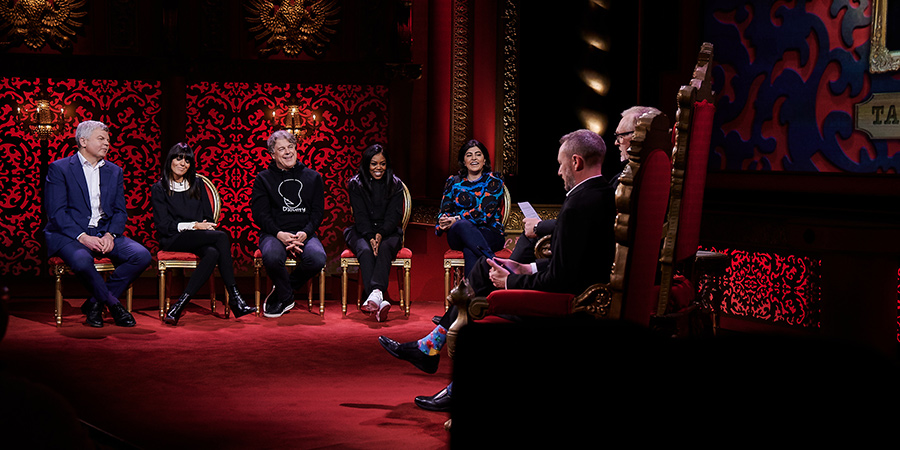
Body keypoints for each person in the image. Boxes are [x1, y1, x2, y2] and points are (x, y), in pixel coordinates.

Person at [380, 129, 618, 412]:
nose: (558, 171)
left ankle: (438, 356)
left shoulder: (580, 203)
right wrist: (525, 265)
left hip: (571, 302)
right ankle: (431, 347)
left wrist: (511, 280)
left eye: (561, 163)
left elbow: (562, 278)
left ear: (576, 162)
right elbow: (570, 265)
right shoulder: (601, 193)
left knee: (481, 278)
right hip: (574, 284)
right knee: (482, 264)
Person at [508, 106, 660, 265]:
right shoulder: (640, 174)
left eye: (621, 136)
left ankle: (503, 280)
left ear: (638, 136)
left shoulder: (629, 179)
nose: (616, 142)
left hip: (600, 264)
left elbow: (596, 224)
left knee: (494, 270)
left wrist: (542, 228)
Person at [44, 120, 151, 327]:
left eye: (108, 140)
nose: (107, 144)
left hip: (103, 232)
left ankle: (94, 304)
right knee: (82, 260)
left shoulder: (114, 171)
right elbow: (57, 213)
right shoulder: (60, 168)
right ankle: (112, 304)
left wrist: (110, 234)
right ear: (83, 141)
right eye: (101, 139)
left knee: (141, 256)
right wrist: (83, 237)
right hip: (69, 235)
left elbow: (120, 211)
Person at [152, 143, 257, 325]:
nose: (183, 163)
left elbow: (208, 218)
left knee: (213, 253)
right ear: (170, 160)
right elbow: (163, 226)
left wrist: (201, 227)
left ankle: (178, 306)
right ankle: (235, 298)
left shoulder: (197, 184)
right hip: (173, 239)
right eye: (179, 158)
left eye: (187, 160)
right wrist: (194, 225)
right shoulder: (159, 188)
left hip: (196, 237)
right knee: (222, 236)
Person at [251, 130, 326, 318]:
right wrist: (279, 234)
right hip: (274, 233)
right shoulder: (263, 178)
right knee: (272, 256)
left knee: (317, 258)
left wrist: (305, 232)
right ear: (272, 154)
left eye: (291, 147)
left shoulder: (313, 177)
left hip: (304, 233)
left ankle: (282, 292)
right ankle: (287, 296)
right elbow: (260, 214)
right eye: (281, 149)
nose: (288, 152)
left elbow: (318, 213)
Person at [343, 144, 405, 322]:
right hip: (362, 230)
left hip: (389, 230)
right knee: (365, 250)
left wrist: (381, 234)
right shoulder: (356, 184)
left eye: (382, 164)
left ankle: (374, 296)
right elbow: (360, 215)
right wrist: (370, 235)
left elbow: (394, 215)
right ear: (366, 164)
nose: (378, 168)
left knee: (385, 248)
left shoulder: (395, 184)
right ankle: (378, 297)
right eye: (374, 164)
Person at [436, 139, 505, 277]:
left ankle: (471, 294)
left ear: (484, 159)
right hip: (459, 233)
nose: (474, 158)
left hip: (490, 232)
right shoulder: (453, 181)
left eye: (478, 154)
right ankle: (494, 263)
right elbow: (444, 211)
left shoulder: (494, 181)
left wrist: (457, 218)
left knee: (470, 250)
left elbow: (484, 213)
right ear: (464, 161)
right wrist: (443, 220)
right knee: (462, 225)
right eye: (469, 155)